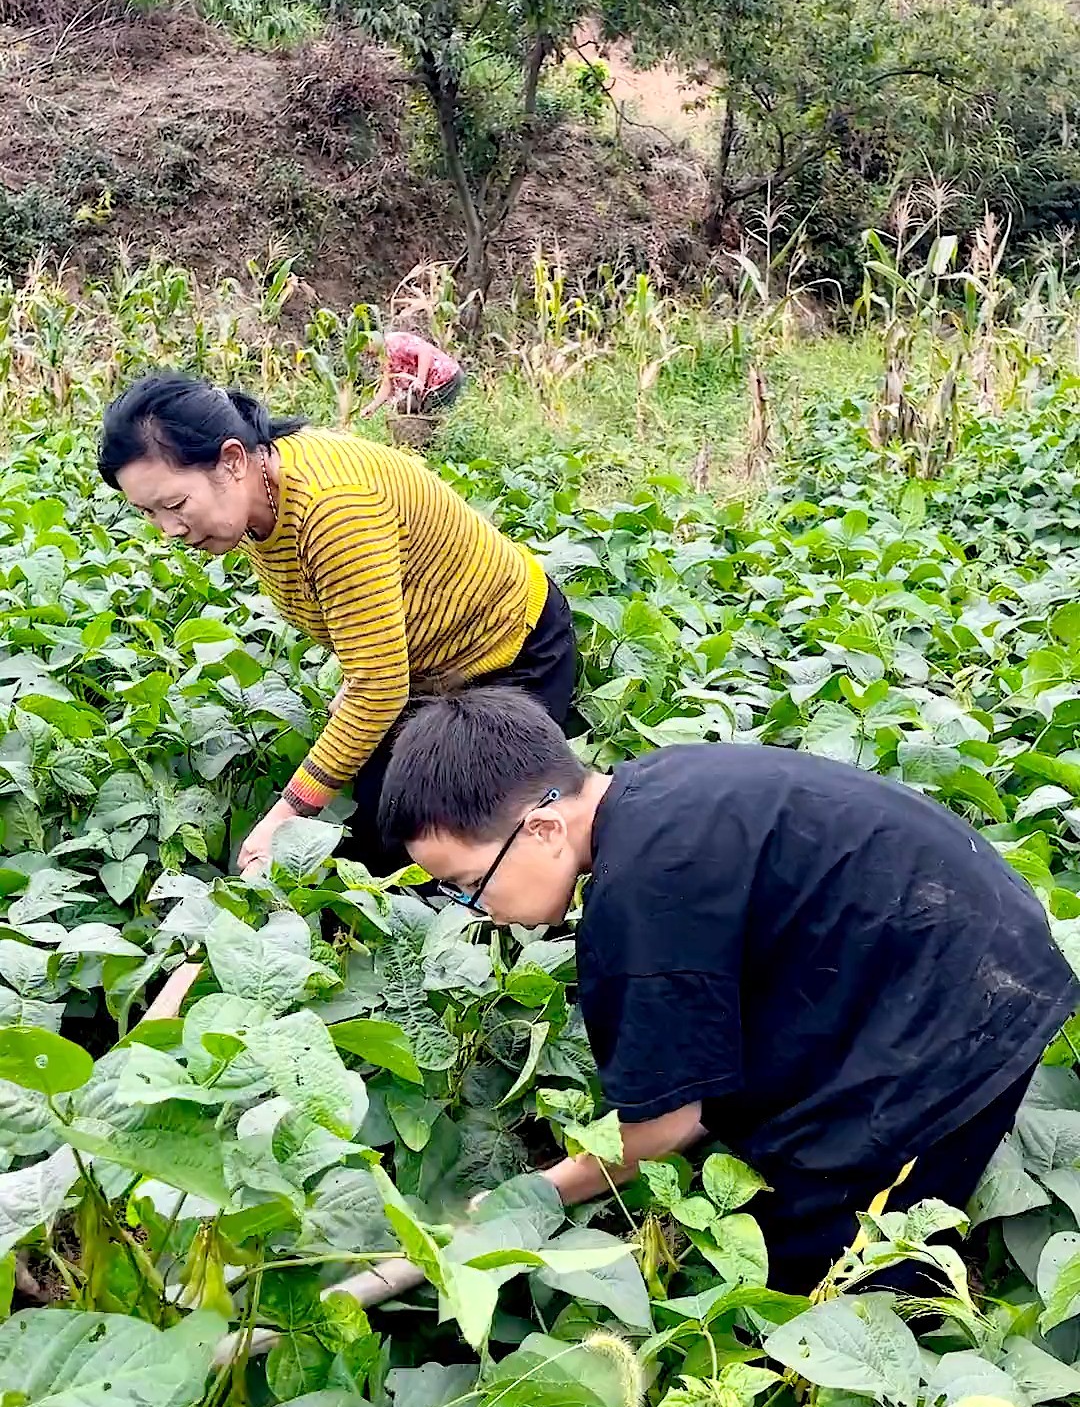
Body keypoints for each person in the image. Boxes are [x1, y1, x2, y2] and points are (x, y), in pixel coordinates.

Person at [378, 686, 1080, 1293]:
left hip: (970, 1004)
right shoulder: (655, 787)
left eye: (472, 883)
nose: (478, 910)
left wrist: (531, 1194)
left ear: (542, 826)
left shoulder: (642, 898)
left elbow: (666, 1127)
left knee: (833, 1253)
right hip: (944, 936)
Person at [97, 377, 575, 874]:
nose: (169, 529)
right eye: (149, 512)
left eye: (174, 505)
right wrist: (364, 678)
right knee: (380, 823)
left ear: (233, 460)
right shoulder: (256, 498)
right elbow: (363, 620)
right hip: (421, 671)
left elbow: (379, 690)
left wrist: (286, 811)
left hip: (511, 655)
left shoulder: (333, 509)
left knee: (461, 848)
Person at [360, 328, 465, 425]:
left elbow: (424, 351)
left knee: (429, 421)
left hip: (445, 377)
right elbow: (387, 384)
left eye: (365, 346)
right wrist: (372, 407)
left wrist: (420, 379)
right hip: (431, 387)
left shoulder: (394, 342)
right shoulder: (384, 357)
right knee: (420, 419)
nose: (366, 351)